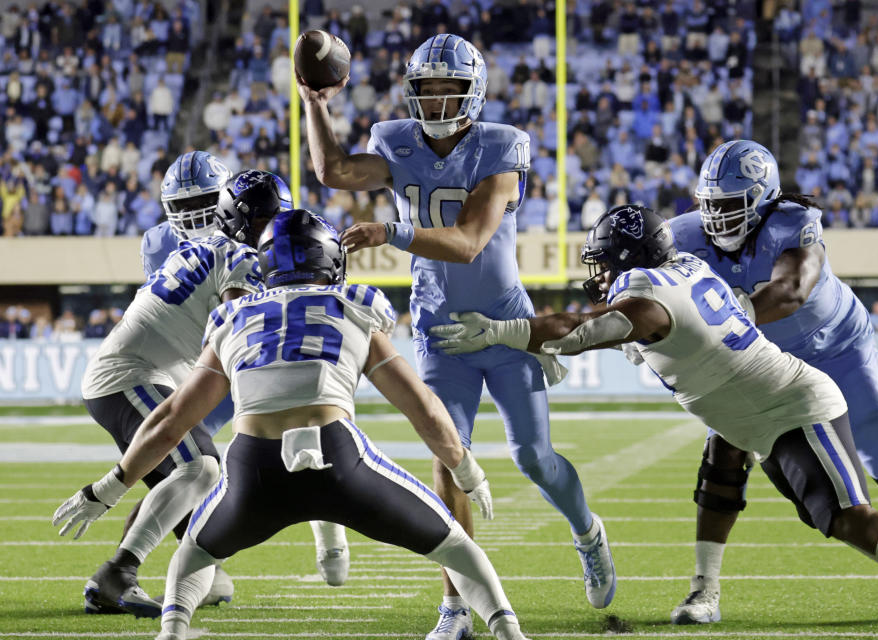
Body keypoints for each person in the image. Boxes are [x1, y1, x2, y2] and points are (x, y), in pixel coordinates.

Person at [430, 203, 878, 624]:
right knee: (825, 517)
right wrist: (546, 349)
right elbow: (651, 333)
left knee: (850, 515)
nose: (599, 270)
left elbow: (587, 326)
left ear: (629, 259)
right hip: (755, 415)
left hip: (791, 407)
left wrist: (504, 333)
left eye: (605, 259)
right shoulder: (684, 271)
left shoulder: (645, 299)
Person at [53, 210, 531, 640]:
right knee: (456, 547)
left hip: (253, 471)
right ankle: (509, 632)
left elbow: (171, 420)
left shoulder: (232, 317)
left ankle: (173, 633)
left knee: (192, 558)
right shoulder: (355, 305)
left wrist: (109, 488)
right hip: (342, 463)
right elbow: (423, 408)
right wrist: (467, 471)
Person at [298, 33, 615, 639]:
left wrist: (391, 232)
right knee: (448, 459)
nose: (439, 100)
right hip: (440, 326)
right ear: (412, 91)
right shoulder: (395, 140)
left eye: (451, 89)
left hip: (504, 323)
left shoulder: (501, 147)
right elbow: (334, 171)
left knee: (534, 458)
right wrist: (316, 102)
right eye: (429, 88)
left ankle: (587, 533)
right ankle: (456, 605)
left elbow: (470, 243)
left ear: (475, 93)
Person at [665, 139, 878, 623]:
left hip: (837, 349)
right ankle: (704, 589)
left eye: (730, 206)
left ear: (762, 200)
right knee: (725, 449)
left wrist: (719, 325)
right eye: (710, 205)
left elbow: (790, 291)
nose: (716, 218)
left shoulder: (792, 222)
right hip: (765, 359)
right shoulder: (682, 236)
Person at [64, 169, 289, 618]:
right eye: (268, 220)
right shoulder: (242, 259)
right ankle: (118, 575)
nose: (275, 230)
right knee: (201, 467)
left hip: (140, 373)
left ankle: (190, 569)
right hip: (132, 376)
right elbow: (233, 334)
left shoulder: (203, 247)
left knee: (198, 477)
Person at [140, 156, 351, 587]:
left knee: (311, 432)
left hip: (268, 354)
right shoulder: (161, 243)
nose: (194, 216)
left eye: (204, 202)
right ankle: (134, 565)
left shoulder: (289, 234)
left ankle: (330, 536)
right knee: (175, 459)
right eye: (183, 207)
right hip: (212, 363)